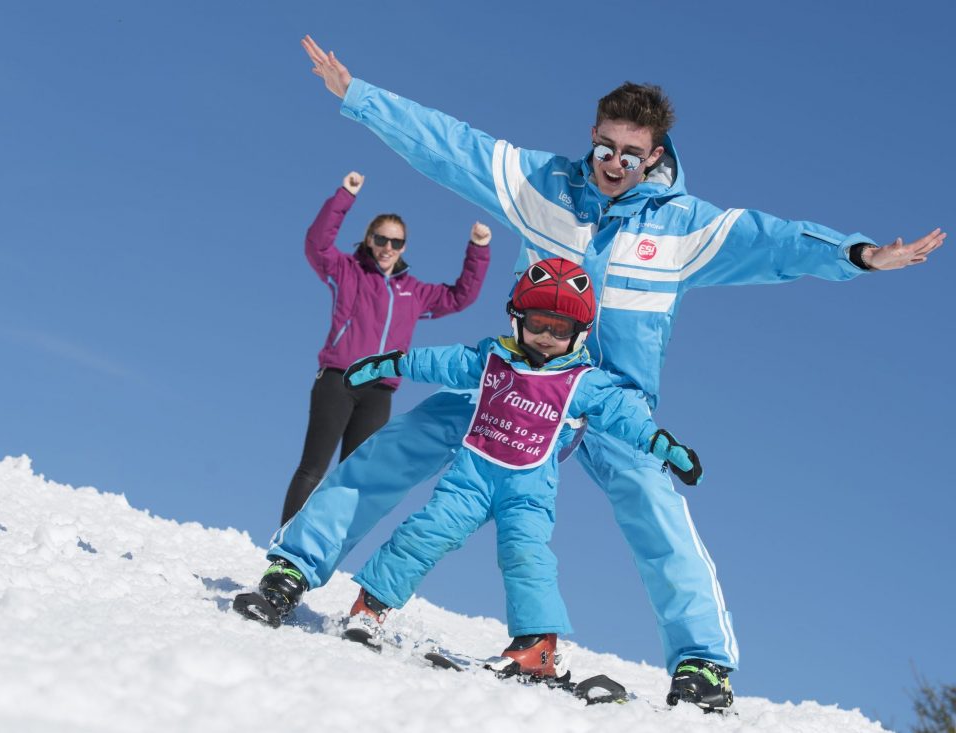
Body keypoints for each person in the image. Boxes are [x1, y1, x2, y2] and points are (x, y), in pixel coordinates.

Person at [256, 36, 946, 710]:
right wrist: (359, 97)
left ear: (656, 156)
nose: (614, 163)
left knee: (655, 507)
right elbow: (449, 145)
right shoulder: (541, 186)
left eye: (631, 154)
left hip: (609, 398)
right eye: (605, 147)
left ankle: (702, 663)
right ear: (592, 136)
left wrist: (856, 255)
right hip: (523, 378)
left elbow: (775, 241)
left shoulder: (683, 228)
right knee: (403, 445)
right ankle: (295, 565)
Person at [338, 258, 702, 688]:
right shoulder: (493, 358)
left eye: (560, 329)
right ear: (517, 320)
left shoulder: (581, 380)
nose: (547, 337)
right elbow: (443, 362)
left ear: (579, 334)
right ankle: (370, 607)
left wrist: (663, 445)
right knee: (426, 532)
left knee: (526, 556)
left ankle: (537, 648)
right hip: (470, 478)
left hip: (529, 490)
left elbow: (624, 414)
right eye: (538, 324)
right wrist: (391, 364)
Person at [279, 171, 491, 523]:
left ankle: (317, 554)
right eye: (381, 239)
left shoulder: (413, 292)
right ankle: (284, 542)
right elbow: (317, 245)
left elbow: (460, 297)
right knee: (313, 467)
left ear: (404, 246)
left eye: (396, 242)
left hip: (379, 391)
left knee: (354, 478)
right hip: (339, 379)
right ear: (369, 239)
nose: (388, 248)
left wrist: (478, 249)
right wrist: (345, 195)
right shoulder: (348, 271)